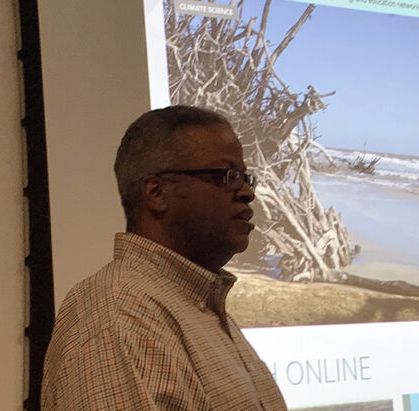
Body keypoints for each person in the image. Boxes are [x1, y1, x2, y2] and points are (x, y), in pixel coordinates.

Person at [41, 106, 287, 410]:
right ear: (157, 193)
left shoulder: (194, 306)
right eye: (227, 176)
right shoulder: (120, 315)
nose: (248, 193)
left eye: (246, 177)